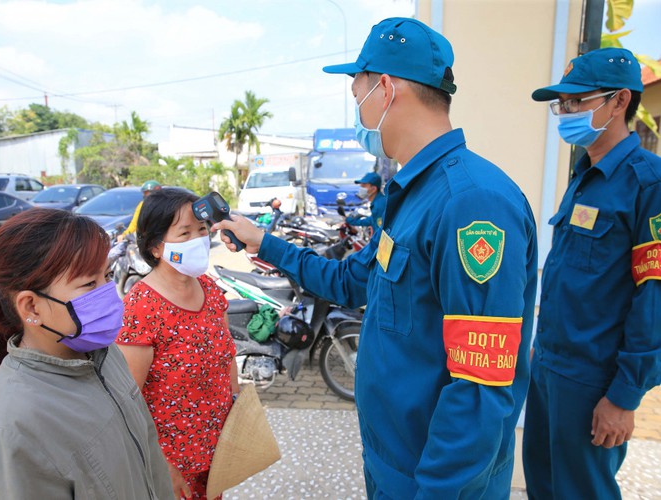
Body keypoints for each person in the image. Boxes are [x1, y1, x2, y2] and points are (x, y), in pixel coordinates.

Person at [214, 17, 538, 499]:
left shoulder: (470, 203)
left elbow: (480, 390)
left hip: (434, 481)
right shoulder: (411, 195)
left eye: (357, 90)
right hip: (394, 461)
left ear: (384, 88)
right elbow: (352, 282)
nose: (357, 108)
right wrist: (265, 243)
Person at [0, 208, 174, 499]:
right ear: (31, 307)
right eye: (88, 284)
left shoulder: (103, 354)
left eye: (106, 276)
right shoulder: (8, 429)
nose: (109, 294)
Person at [524, 47, 661, 499]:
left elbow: (654, 299)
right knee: (544, 486)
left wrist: (623, 397)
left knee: (582, 492)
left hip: (592, 380)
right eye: (560, 105)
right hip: (549, 369)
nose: (564, 113)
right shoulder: (584, 176)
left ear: (619, 101)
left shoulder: (649, 183)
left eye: (576, 102)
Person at [115, 188, 238, 500]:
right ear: (156, 247)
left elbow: (227, 358)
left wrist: (236, 416)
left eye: (201, 230)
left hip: (217, 454)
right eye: (184, 233)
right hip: (172, 468)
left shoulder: (210, 290)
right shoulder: (142, 305)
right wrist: (161, 465)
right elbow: (129, 399)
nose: (198, 240)